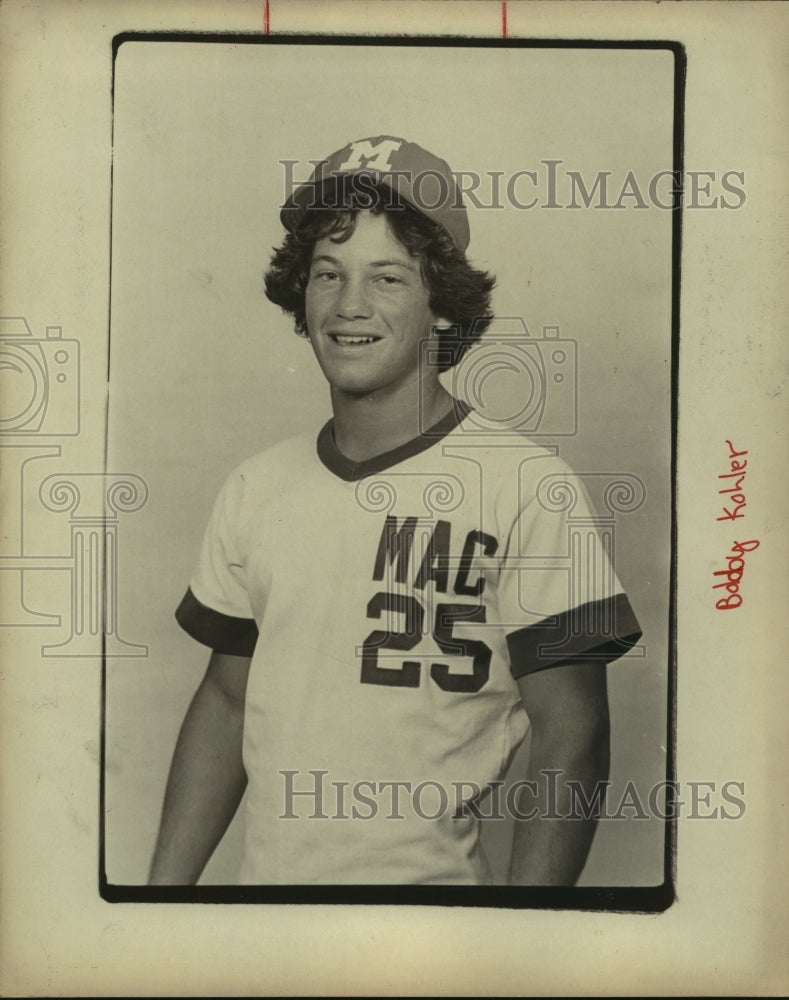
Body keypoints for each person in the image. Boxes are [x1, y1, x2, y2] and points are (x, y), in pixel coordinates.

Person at [148, 135, 642, 886]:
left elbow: (571, 734)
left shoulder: (525, 484)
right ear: (300, 293)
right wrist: (155, 904)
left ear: (441, 304)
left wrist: (531, 936)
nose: (350, 305)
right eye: (327, 273)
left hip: (435, 922)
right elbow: (226, 700)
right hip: (264, 923)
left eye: (387, 277)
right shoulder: (257, 485)